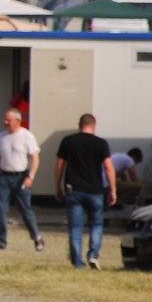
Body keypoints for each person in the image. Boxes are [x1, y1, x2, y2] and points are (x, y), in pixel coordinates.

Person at [55, 113, 116, 269]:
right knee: (96, 224)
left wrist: (57, 187)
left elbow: (60, 166)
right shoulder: (101, 143)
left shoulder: (68, 141)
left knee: (75, 227)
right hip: (95, 190)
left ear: (79, 125)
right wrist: (112, 190)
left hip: (73, 190)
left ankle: (77, 262)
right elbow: (108, 168)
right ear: (94, 126)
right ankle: (93, 255)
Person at [0, 109, 44, 253]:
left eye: (9, 120)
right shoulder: (1, 137)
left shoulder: (26, 136)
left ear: (18, 121)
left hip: (21, 176)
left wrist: (30, 176)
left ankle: (36, 237)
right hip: (4, 176)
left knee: (25, 209)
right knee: (1, 209)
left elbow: (35, 157)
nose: (5, 123)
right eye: (5, 120)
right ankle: (2, 241)